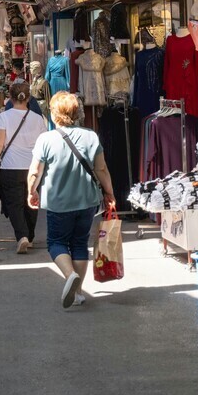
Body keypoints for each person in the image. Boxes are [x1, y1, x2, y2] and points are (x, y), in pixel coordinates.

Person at [27, 91, 116, 308]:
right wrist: (109, 192)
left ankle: (69, 276)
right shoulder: (91, 136)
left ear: (53, 113)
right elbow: (101, 169)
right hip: (87, 201)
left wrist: (31, 191)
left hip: (58, 202)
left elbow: (35, 172)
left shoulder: (46, 139)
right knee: (79, 243)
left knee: (56, 242)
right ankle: (77, 293)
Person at [0, 82, 47, 253]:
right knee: (32, 201)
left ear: (10, 97)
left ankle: (22, 236)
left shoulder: (4, 117)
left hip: (10, 167)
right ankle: (30, 236)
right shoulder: (38, 118)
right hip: (33, 167)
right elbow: (44, 144)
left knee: (14, 204)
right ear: (28, 98)